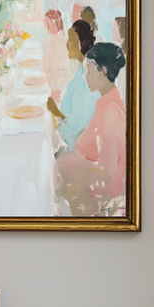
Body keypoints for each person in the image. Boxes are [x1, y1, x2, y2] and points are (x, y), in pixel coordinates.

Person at [57, 41, 127, 213]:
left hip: (97, 195)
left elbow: (109, 178)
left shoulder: (111, 113)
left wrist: (65, 166)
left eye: (89, 70)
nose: (85, 75)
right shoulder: (105, 103)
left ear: (103, 71)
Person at [55, 19, 97, 150]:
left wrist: (56, 113)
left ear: (82, 43)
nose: (67, 44)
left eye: (71, 40)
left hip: (78, 151)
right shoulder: (80, 70)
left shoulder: (88, 79)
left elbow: (74, 135)